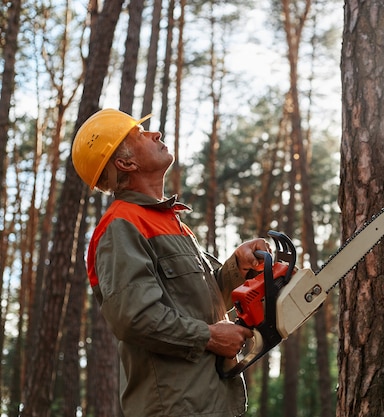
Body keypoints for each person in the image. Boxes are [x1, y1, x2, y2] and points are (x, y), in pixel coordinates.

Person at [72, 108, 268, 416]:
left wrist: (236, 268)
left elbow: (198, 302)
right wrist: (210, 336)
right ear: (125, 162)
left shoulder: (169, 221)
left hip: (211, 400)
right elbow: (135, 318)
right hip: (176, 406)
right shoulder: (121, 226)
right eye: (140, 134)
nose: (156, 134)